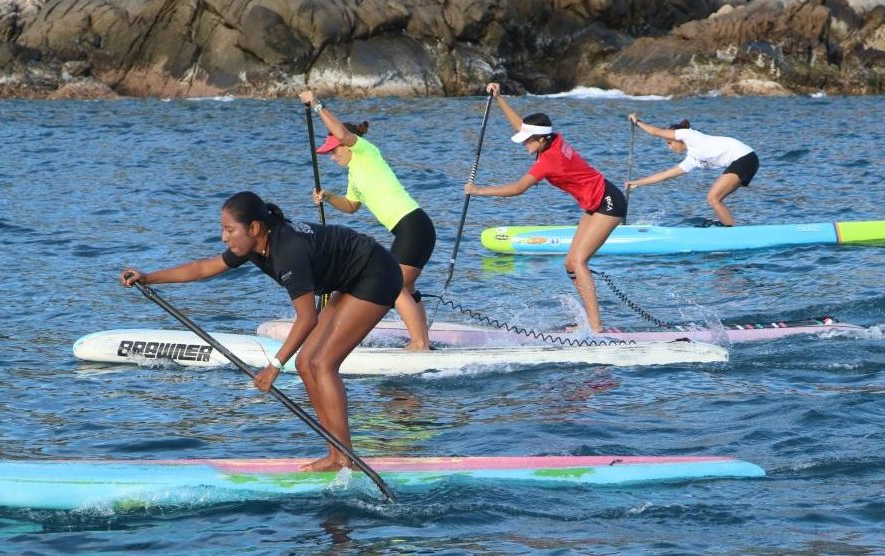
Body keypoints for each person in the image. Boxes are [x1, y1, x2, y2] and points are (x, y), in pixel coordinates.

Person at [120, 191, 402, 472]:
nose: (224, 237)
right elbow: (203, 268)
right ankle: (336, 454)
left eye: (230, 230)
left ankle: (344, 457)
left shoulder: (287, 251)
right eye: (223, 230)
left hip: (376, 273)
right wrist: (148, 277)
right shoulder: (256, 246)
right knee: (305, 364)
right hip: (350, 276)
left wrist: (274, 366)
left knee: (323, 363)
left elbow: (306, 319)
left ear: (254, 228)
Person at [465, 82, 627, 333]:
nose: (524, 144)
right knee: (570, 264)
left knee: (580, 262)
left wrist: (478, 191)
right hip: (594, 203)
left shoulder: (549, 161)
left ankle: (596, 328)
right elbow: (522, 126)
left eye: (528, 141)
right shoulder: (551, 137)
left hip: (609, 203)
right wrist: (499, 99)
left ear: (541, 139)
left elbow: (519, 188)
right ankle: (588, 322)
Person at [299, 90, 436, 351]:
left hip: (413, 225)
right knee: (405, 286)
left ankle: (419, 344)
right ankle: (423, 342)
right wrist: (327, 196)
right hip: (412, 230)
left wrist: (316, 105)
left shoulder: (365, 151)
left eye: (334, 150)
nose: (332, 155)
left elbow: (341, 133)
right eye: (328, 152)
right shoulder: (354, 175)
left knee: (394, 286)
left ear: (348, 144)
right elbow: (351, 207)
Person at [626, 115, 759, 227]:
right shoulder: (692, 159)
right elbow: (666, 175)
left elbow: (656, 132)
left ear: (677, 138)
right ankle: (728, 227)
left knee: (713, 198)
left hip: (744, 158)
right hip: (746, 161)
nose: (669, 147)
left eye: (669, 142)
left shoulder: (688, 134)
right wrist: (638, 183)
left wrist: (637, 122)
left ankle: (731, 232)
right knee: (715, 199)